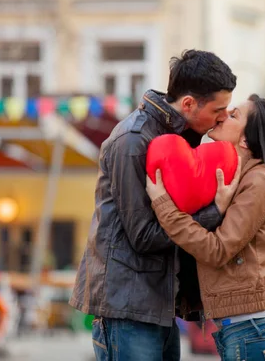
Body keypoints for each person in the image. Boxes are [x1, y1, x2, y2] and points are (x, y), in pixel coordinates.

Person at [70, 49, 240, 361]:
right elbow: (144, 236)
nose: (223, 117)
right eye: (219, 109)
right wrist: (214, 212)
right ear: (188, 104)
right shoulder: (133, 140)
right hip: (128, 307)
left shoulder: (182, 139)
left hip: (160, 306)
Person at [146, 94, 265, 361]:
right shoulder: (234, 178)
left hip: (253, 332)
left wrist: (163, 204)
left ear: (246, 139)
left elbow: (217, 250)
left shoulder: (258, 181)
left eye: (234, 115)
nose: (223, 115)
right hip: (242, 331)